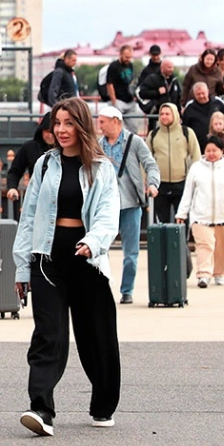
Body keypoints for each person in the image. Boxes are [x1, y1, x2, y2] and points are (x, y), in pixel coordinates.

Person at [12, 97, 121, 436]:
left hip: (87, 261)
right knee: (49, 335)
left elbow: (108, 214)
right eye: (57, 123)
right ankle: (41, 409)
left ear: (82, 126)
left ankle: (103, 405)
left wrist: (94, 241)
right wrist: (22, 267)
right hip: (48, 260)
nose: (61, 130)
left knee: (96, 337)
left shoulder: (101, 168)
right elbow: (29, 217)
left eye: (69, 123)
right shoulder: (45, 165)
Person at [98, 106, 160, 305]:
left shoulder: (134, 142)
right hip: (106, 205)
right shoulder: (99, 145)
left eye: (102, 122)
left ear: (115, 121)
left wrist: (152, 183)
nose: (100, 126)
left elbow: (150, 164)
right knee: (100, 249)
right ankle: (103, 288)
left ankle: (127, 290)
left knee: (131, 253)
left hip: (130, 203)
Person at [175, 136, 224, 288]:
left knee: (221, 247)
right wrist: (182, 213)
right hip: (200, 215)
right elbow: (188, 192)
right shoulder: (196, 168)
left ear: (222, 151)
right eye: (208, 150)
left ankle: (219, 273)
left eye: (215, 150)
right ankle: (203, 274)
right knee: (204, 245)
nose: (211, 154)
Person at [146, 103, 201, 223]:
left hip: (182, 184)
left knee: (182, 222)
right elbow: (145, 160)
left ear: (175, 115)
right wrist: (146, 182)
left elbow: (196, 156)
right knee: (160, 223)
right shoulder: (153, 134)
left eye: (167, 114)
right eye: (162, 114)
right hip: (159, 185)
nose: (164, 117)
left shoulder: (187, 132)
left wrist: (194, 179)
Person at [6, 113, 55, 214]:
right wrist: (12, 187)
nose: (50, 135)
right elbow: (15, 171)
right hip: (37, 198)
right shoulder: (29, 147)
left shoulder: (67, 149)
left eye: (52, 132)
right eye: (47, 131)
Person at [137, 58, 180, 132]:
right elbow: (142, 93)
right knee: (154, 134)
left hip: (172, 116)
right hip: (156, 115)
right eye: (169, 67)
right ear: (162, 68)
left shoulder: (174, 80)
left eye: (172, 67)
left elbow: (178, 96)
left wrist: (179, 111)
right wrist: (157, 92)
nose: (171, 69)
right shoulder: (152, 78)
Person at [182, 82, 224, 152]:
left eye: (203, 93)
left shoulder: (218, 102)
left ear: (208, 91)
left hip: (219, 145)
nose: (201, 96)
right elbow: (185, 127)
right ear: (194, 94)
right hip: (198, 146)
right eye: (198, 94)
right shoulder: (189, 107)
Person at [106, 45, 142, 133]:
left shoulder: (130, 65)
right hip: (118, 100)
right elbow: (109, 84)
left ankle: (131, 141)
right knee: (115, 128)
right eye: (126, 57)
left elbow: (130, 82)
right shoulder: (114, 66)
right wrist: (114, 101)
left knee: (133, 128)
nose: (128, 59)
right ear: (120, 54)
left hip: (129, 100)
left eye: (130, 57)